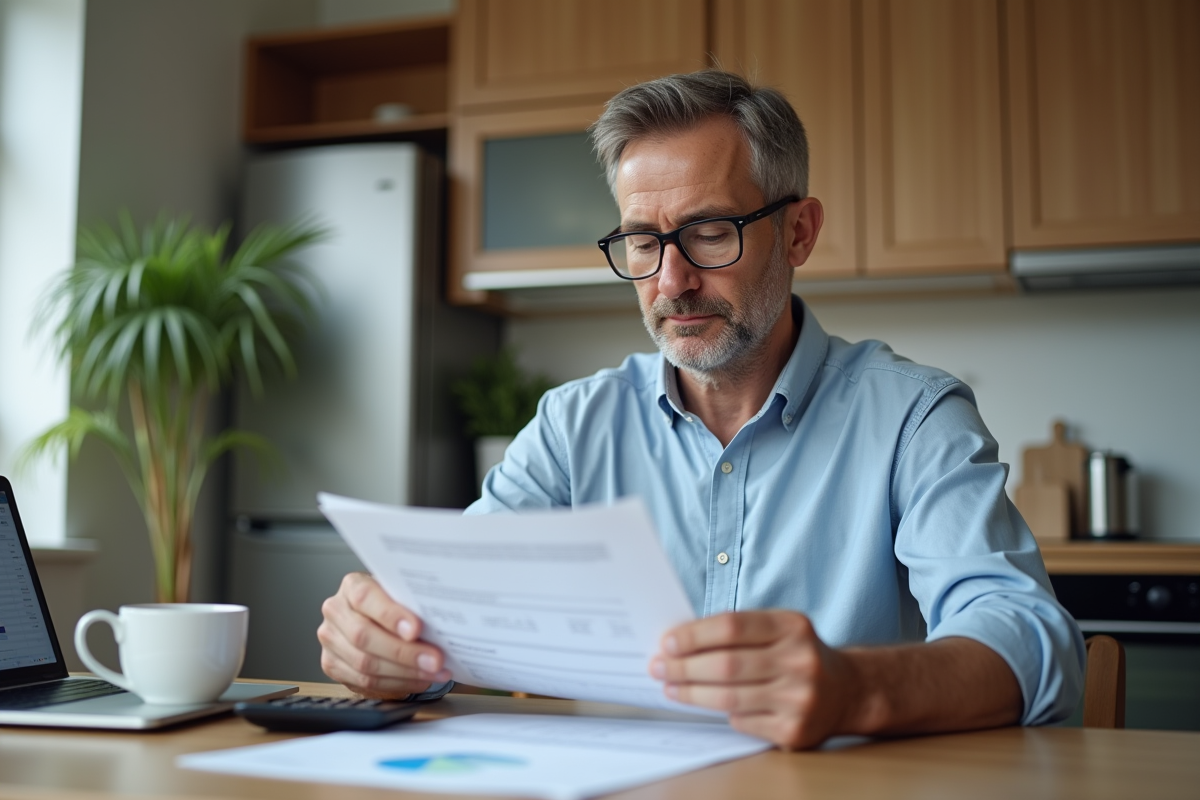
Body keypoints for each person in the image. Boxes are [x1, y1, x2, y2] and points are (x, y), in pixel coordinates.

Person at [318, 70, 1085, 750]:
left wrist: (856, 689)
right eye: (643, 242)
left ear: (798, 232)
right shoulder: (572, 428)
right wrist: (392, 647)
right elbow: (455, 613)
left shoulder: (914, 417)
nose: (671, 279)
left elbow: (1030, 639)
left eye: (710, 232)